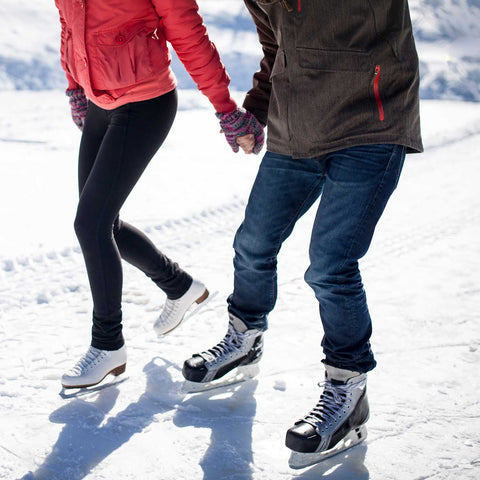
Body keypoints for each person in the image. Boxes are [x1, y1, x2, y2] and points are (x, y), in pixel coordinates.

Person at [183, 0, 423, 466]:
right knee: (252, 243)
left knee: (331, 267)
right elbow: (278, 48)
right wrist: (255, 109)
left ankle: (347, 391)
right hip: (296, 130)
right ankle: (244, 338)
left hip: (370, 124)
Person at [55, 0, 265, 390]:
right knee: (102, 223)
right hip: (101, 101)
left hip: (145, 104)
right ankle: (179, 287)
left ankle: (108, 345)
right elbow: (70, 26)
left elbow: (188, 34)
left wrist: (225, 107)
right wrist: (75, 86)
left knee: (91, 223)